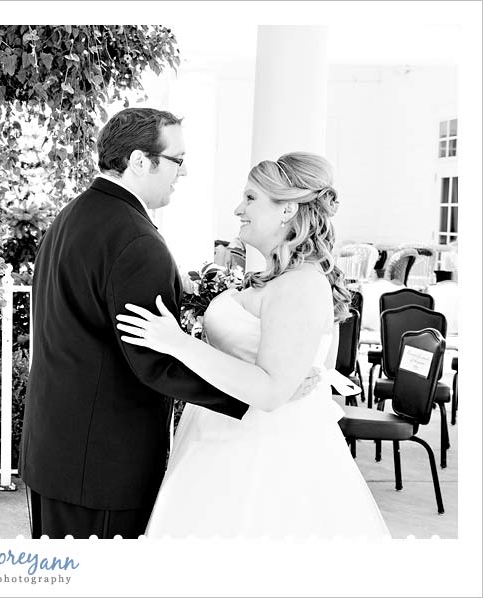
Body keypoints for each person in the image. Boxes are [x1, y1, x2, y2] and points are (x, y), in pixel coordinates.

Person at [18, 108, 313, 539]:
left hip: (56, 449)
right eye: (177, 159)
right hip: (103, 464)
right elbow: (154, 363)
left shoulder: (75, 215)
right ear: (140, 161)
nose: (184, 171)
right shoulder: (136, 240)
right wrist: (260, 392)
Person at [117, 152, 391, 538]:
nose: (238, 209)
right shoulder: (274, 278)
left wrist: (178, 344)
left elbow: (269, 391)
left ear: (287, 210)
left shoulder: (299, 284)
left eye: (250, 199)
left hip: (258, 453)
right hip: (218, 436)